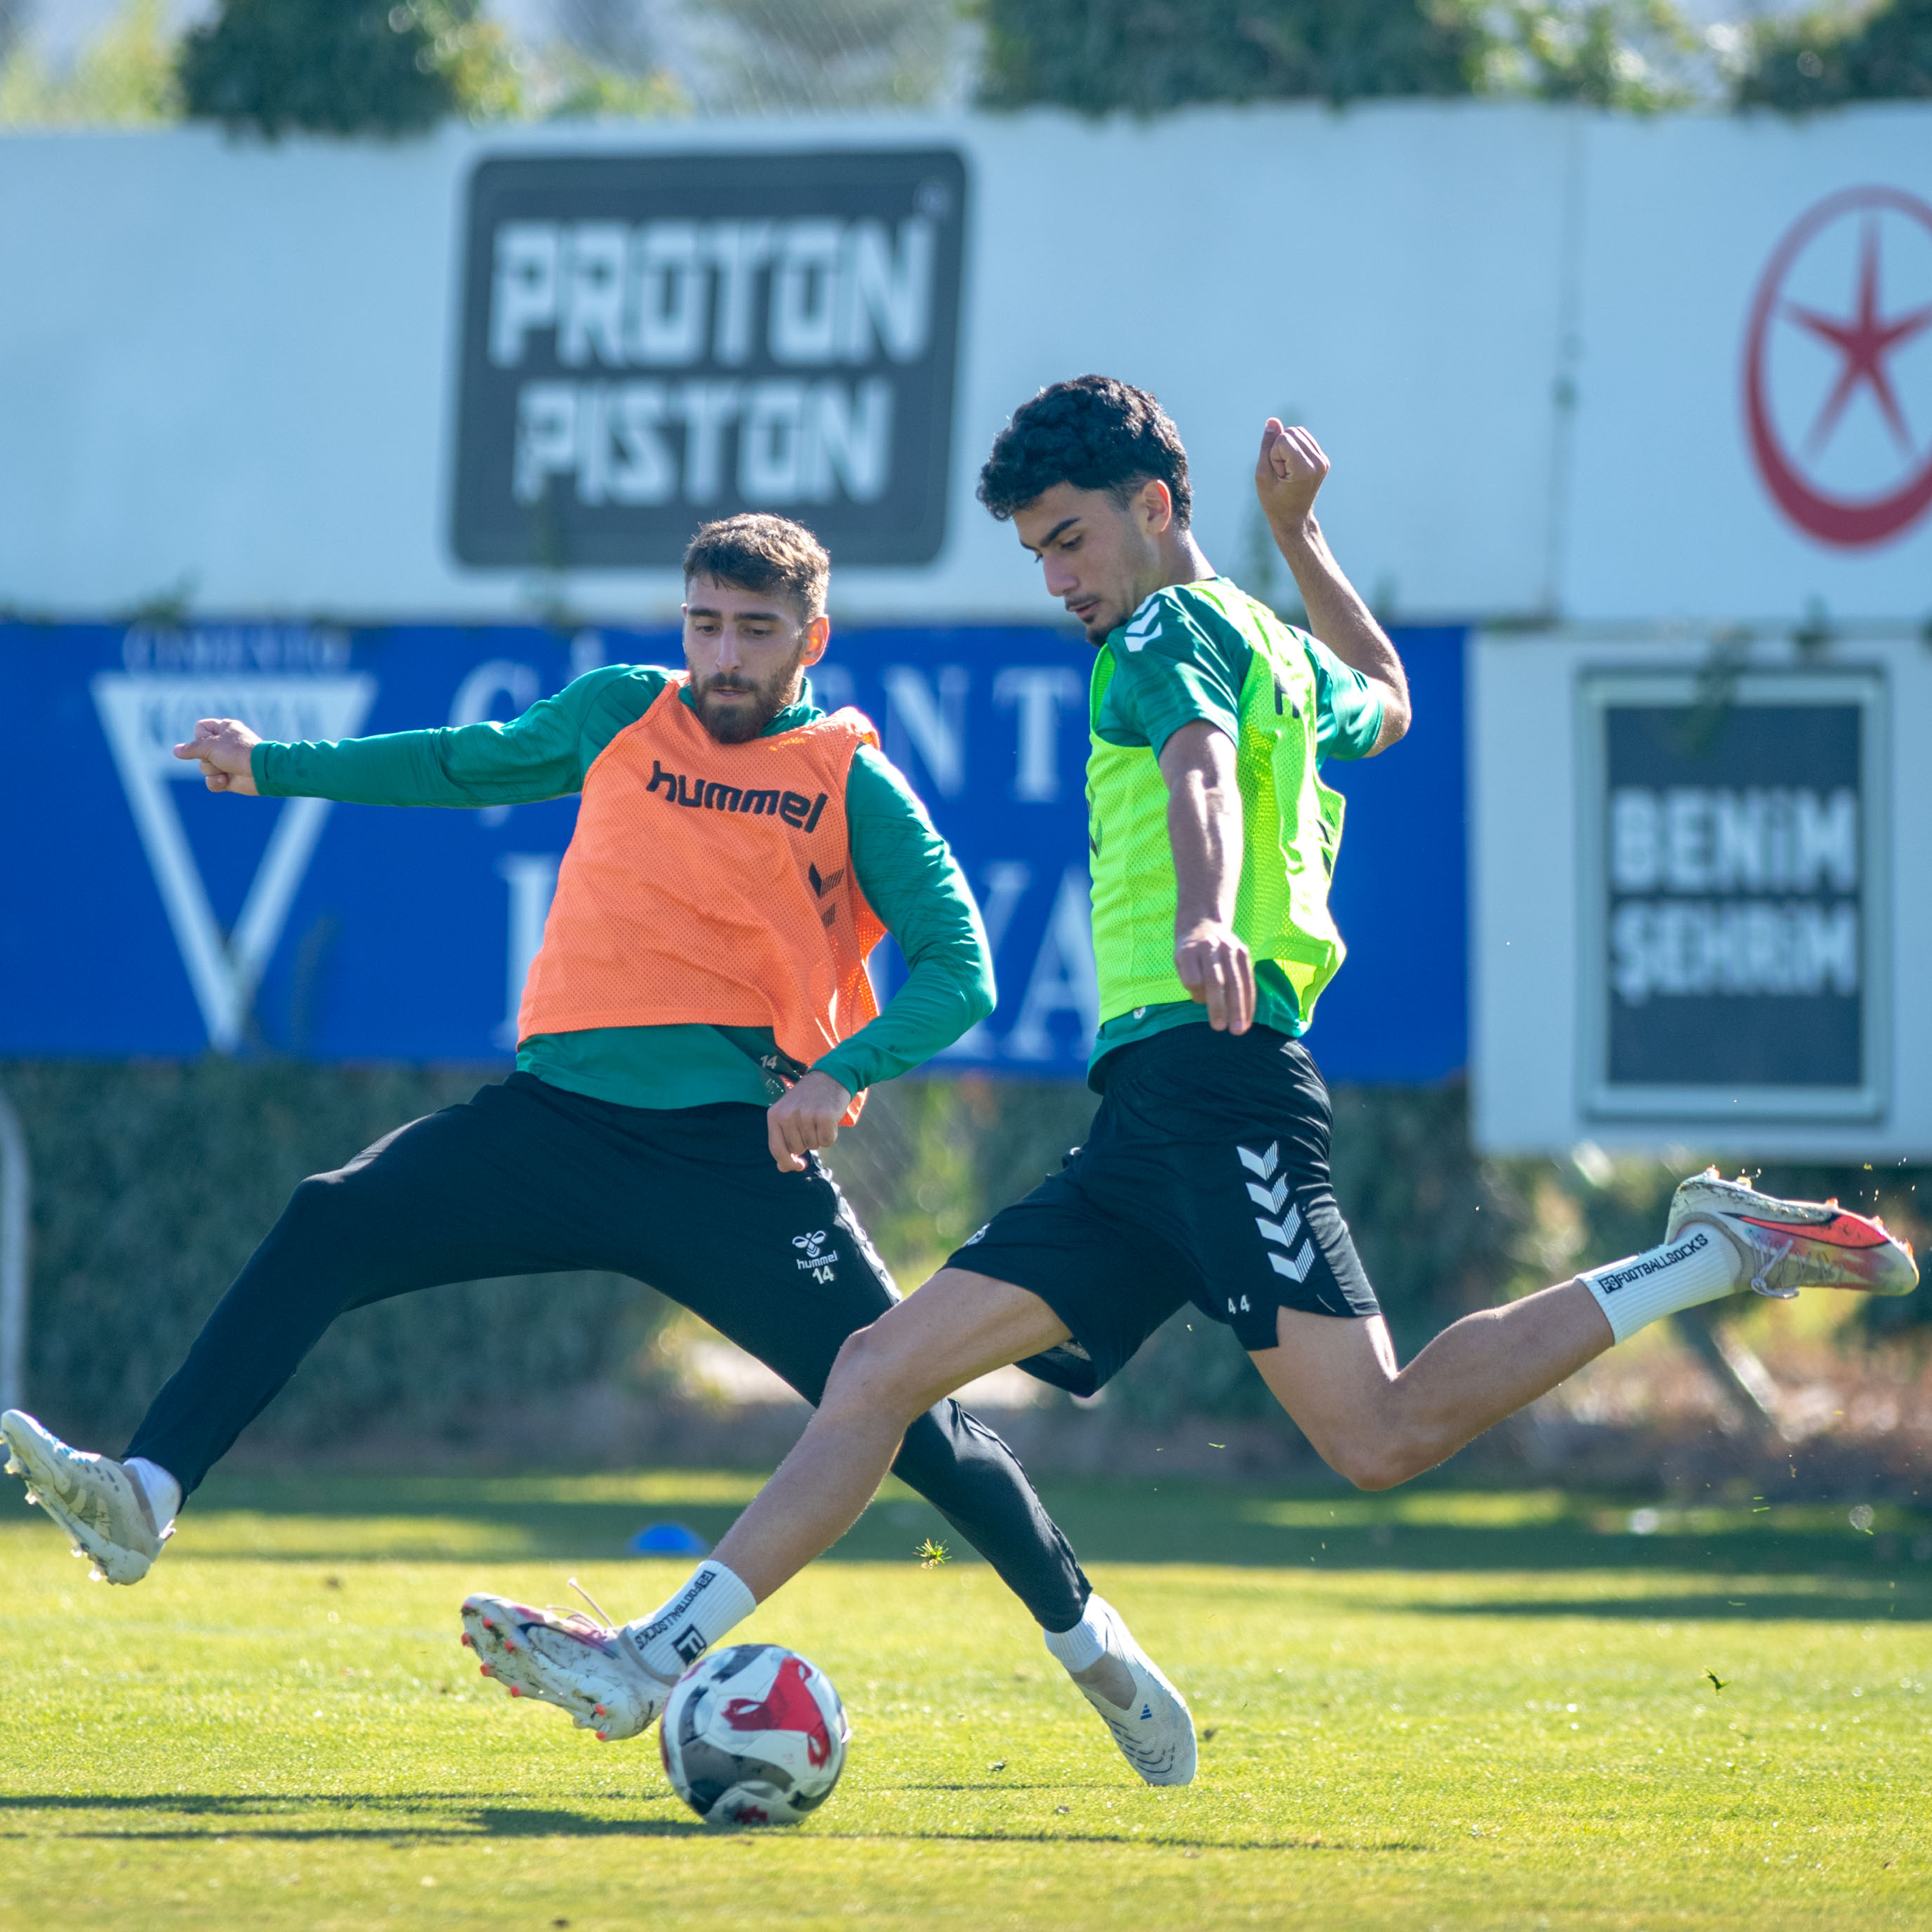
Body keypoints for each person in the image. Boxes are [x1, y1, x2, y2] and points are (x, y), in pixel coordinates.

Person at [589, 376, 1919, 1687]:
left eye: (1071, 538)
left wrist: (1207, 913)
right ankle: (661, 1657)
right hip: (1153, 1116)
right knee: (878, 1369)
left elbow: (1203, 770)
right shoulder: (1271, 638)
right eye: (1038, 552)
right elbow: (1388, 698)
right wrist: (1302, 537)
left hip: (1222, 1084)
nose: (1058, 578)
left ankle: (1708, 1253)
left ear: (1155, 505)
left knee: (1380, 1433)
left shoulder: (1161, 636)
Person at [0, 511, 1194, 1787]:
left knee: (912, 1417)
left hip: (731, 1166)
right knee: (331, 1216)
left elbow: (963, 968)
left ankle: (1094, 1649)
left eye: (755, 631)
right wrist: (272, 764)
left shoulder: (851, 782)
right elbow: (465, 764)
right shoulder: (625, 709)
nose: (722, 655)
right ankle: (147, 1495)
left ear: (812, 640)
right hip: (555, 1126)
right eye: (704, 625)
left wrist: (843, 1070)